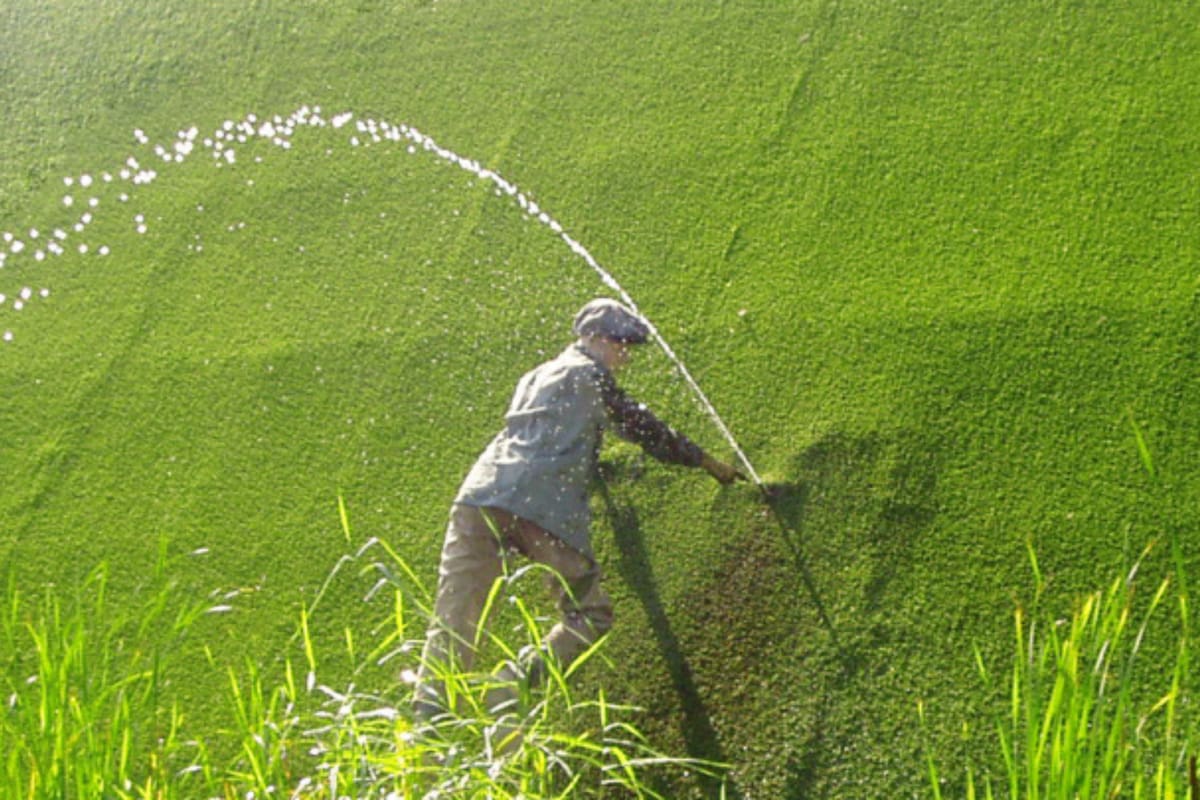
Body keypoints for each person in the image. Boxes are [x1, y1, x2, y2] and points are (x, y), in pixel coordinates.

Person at [412, 298, 744, 721]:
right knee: (591, 614)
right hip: (541, 508)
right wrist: (706, 461)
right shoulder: (590, 376)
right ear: (597, 338)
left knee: (456, 621)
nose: (624, 357)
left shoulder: (537, 374)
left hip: (478, 498)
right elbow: (644, 428)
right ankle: (512, 682)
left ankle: (425, 733)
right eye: (621, 345)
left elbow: (552, 433)